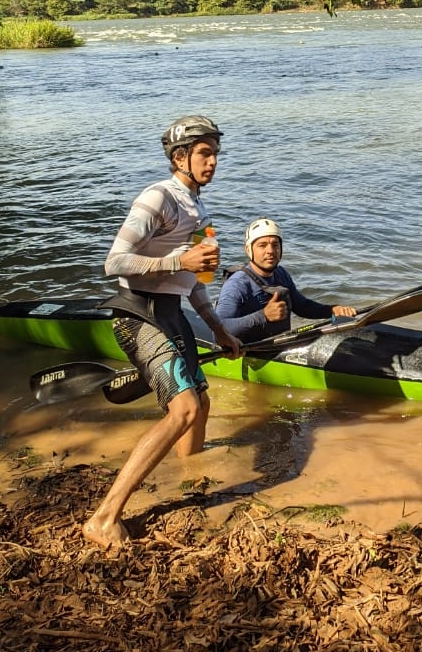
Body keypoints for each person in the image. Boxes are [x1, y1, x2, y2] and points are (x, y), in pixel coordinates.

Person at [83, 115, 242, 548]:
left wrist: (219, 330)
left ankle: (190, 479)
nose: (212, 161)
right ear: (179, 157)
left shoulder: (200, 210)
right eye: (204, 153)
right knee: (185, 409)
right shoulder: (157, 197)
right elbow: (114, 262)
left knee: (202, 404)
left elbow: (194, 283)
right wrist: (177, 261)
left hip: (171, 313)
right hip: (137, 312)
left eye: (215, 153)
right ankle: (104, 517)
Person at [215, 217, 357, 342]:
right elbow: (219, 328)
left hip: (277, 345)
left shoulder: (280, 274)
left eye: (275, 244)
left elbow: (303, 307)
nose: (270, 250)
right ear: (248, 249)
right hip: (247, 352)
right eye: (262, 245)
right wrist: (263, 316)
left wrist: (333, 310)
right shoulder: (237, 284)